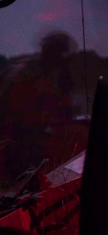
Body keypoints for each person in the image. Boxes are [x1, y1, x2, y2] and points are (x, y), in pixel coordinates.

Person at [0, 31, 77, 181]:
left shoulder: (41, 73)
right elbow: (20, 118)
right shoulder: (26, 75)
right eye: (61, 56)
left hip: (22, 141)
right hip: (15, 145)